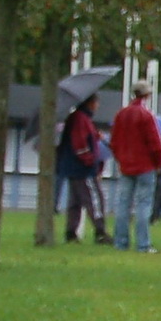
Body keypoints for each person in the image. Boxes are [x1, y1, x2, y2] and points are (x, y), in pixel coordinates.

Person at [110, 80, 161, 253]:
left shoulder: (121, 114)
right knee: (143, 205)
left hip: (126, 165)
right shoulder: (146, 115)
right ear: (147, 95)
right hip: (145, 166)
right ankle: (143, 244)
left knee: (123, 204)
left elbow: (114, 141)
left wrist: (121, 159)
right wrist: (159, 163)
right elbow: (155, 144)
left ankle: (121, 242)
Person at [58, 95, 109, 244]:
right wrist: (89, 160)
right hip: (83, 168)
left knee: (75, 201)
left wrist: (95, 136)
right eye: (96, 102)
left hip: (72, 167)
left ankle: (71, 232)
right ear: (90, 103)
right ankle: (100, 232)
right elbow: (80, 142)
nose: (98, 106)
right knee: (95, 198)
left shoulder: (77, 118)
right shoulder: (81, 119)